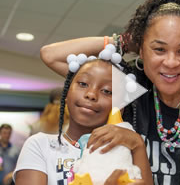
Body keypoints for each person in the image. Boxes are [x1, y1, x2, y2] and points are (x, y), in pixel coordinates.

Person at [39, 0, 180, 184]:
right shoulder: (133, 87)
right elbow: (51, 56)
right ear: (142, 51)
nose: (171, 62)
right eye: (159, 49)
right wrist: (124, 42)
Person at [13, 45, 153, 185]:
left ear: (119, 107)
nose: (91, 94)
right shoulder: (40, 145)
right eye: (83, 83)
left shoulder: (127, 149)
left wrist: (138, 144)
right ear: (67, 94)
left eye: (106, 91)